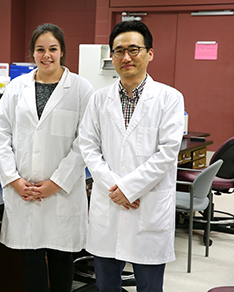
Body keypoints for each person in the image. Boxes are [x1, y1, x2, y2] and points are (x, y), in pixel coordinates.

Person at [78, 20, 184, 292]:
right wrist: (116, 188)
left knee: (149, 287)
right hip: (109, 202)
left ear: (150, 53)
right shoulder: (99, 99)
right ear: (111, 56)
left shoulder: (170, 98)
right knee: (106, 286)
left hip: (147, 205)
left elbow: (168, 152)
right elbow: (88, 146)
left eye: (134, 49)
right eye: (118, 51)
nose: (126, 57)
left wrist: (129, 188)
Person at [0, 23, 94, 292]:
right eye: (40, 49)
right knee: (30, 255)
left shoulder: (81, 89)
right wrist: (13, 179)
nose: (46, 55)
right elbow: (0, 135)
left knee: (61, 255)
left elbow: (84, 142)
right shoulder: (16, 88)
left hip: (62, 191)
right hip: (23, 188)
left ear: (62, 52)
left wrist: (55, 183)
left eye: (52, 49)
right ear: (32, 53)